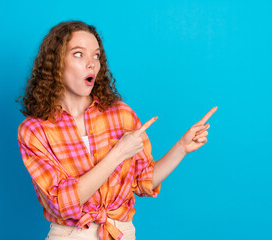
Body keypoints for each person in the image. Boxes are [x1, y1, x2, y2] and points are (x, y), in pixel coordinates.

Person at [17, 20, 217, 240]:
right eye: (78, 54)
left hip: (120, 232)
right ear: (56, 63)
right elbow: (62, 203)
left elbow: (144, 181)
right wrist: (119, 152)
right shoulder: (35, 130)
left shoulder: (121, 114)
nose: (91, 63)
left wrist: (181, 148)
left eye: (96, 56)